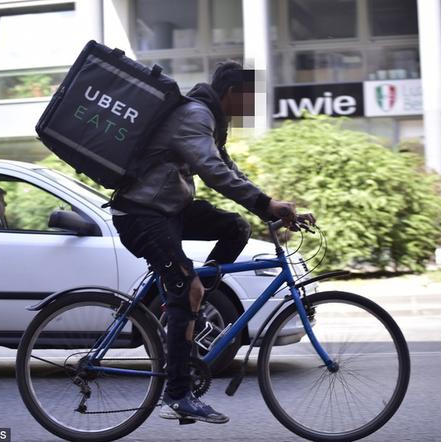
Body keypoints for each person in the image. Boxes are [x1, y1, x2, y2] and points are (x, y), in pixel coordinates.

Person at [110, 62, 313, 424]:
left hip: (167, 207)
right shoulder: (196, 115)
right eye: (251, 98)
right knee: (186, 289)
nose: (252, 107)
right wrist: (267, 204)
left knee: (235, 228)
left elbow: (229, 168)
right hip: (142, 214)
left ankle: (191, 304)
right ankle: (176, 395)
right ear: (233, 93)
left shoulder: (214, 120)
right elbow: (213, 171)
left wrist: (275, 209)